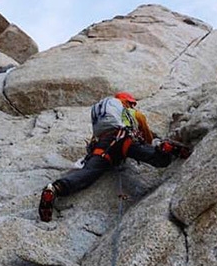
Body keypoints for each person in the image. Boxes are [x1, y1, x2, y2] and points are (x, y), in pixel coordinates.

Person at [38, 91, 190, 222]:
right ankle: (163, 149)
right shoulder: (129, 112)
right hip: (124, 140)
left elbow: (94, 140)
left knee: (88, 174)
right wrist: (150, 143)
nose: (133, 106)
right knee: (160, 160)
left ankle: (55, 188)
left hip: (103, 146)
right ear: (126, 102)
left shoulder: (101, 116)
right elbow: (142, 125)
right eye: (131, 103)